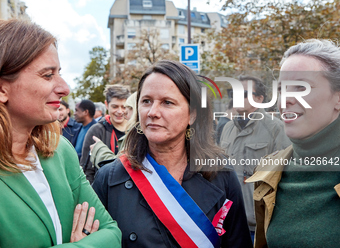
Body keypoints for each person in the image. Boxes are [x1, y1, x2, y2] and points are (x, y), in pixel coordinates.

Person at [92, 60, 252, 247]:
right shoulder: (109, 178)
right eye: (146, 101)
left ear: (192, 114)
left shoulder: (221, 175)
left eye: (167, 102)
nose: (152, 112)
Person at [0, 19, 121, 247]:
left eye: (59, 73)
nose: (65, 88)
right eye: (47, 75)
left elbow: (111, 233)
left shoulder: (58, 149)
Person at [246, 39, 340, 248]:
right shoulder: (269, 171)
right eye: (282, 89)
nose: (285, 99)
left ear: (337, 98)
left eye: (301, 87)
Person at [219, 76, 291, 241]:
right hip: (230, 222)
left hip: (259, 226)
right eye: (233, 92)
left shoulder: (276, 128)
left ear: (259, 98)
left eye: (244, 93)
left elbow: (285, 177)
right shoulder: (228, 128)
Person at [81, 85, 130, 183]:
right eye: (115, 106)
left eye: (124, 107)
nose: (120, 111)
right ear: (106, 105)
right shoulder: (96, 130)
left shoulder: (136, 130)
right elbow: (86, 169)